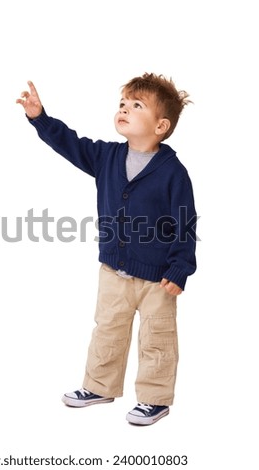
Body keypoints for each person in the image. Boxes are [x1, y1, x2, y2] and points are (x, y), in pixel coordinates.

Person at [16, 73, 197, 426]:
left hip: (158, 278)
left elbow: (186, 222)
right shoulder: (107, 157)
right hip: (114, 270)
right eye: (122, 104)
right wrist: (40, 118)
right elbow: (69, 144)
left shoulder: (173, 173)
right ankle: (99, 386)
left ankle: (154, 398)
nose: (124, 109)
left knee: (156, 338)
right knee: (108, 330)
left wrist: (180, 268)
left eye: (136, 105)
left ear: (161, 125)